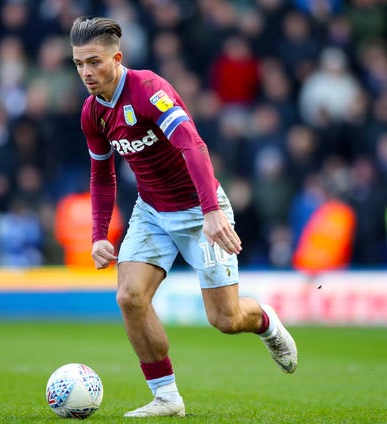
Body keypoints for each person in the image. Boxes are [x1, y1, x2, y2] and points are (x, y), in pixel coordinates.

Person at [69, 16, 298, 418]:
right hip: (152, 211)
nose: (86, 72)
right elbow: (101, 173)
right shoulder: (92, 113)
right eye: (78, 64)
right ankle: (167, 397)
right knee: (129, 296)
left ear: (117, 58)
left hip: (199, 210)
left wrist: (210, 211)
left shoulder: (149, 91)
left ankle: (265, 322)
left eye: (94, 62)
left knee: (225, 319)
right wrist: (98, 233)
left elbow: (193, 145)